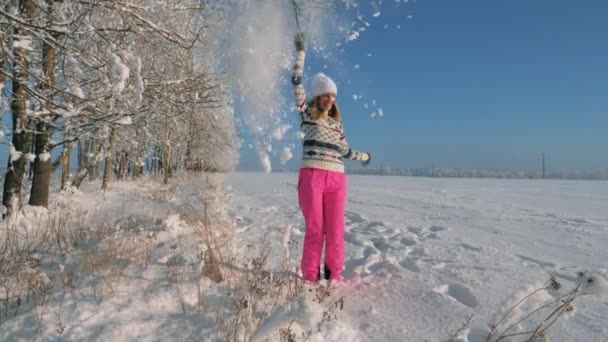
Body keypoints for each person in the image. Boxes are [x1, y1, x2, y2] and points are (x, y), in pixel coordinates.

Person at [291, 32, 371, 283]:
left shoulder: (337, 125)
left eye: (334, 95)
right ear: (317, 96)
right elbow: (295, 81)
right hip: (312, 176)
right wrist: (301, 53)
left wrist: (364, 155)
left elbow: (345, 151)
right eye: (326, 94)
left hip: (337, 178)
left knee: (335, 231)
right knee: (315, 230)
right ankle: (310, 278)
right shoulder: (306, 113)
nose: (330, 99)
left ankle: (333, 274)